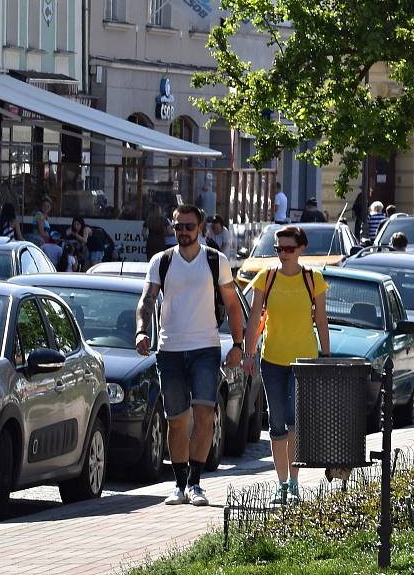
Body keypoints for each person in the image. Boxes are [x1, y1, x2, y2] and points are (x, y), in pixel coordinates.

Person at [135, 204, 244, 507]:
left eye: (188, 226)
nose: (183, 232)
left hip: (205, 349)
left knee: (205, 415)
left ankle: (196, 483)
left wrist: (237, 345)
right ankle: (179, 484)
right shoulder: (162, 261)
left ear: (201, 227)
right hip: (169, 350)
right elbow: (146, 301)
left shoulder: (215, 260)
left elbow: (233, 305)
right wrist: (142, 331)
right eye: (178, 226)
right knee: (176, 421)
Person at [242, 226, 330, 504]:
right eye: (279, 249)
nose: (283, 254)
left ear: (301, 248)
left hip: (303, 362)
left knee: (294, 424)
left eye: (289, 249)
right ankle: (281, 485)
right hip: (272, 360)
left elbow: (322, 320)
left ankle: (294, 483)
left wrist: (326, 357)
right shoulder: (265, 278)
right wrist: (248, 352)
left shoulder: (312, 278)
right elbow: (255, 317)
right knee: (276, 425)